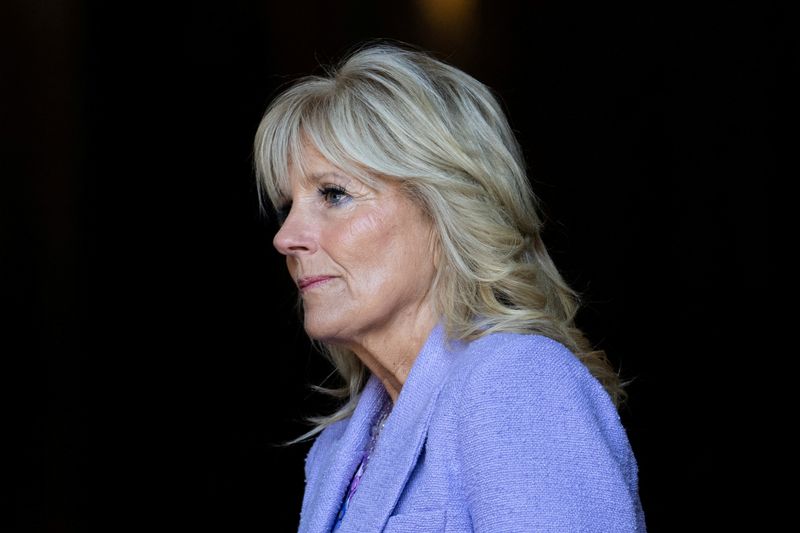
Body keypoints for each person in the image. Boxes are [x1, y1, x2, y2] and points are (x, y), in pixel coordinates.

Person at [254, 42, 646, 533]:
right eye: (288, 204)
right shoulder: (337, 449)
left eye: (334, 194)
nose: (285, 237)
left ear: (443, 210)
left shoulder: (516, 383)